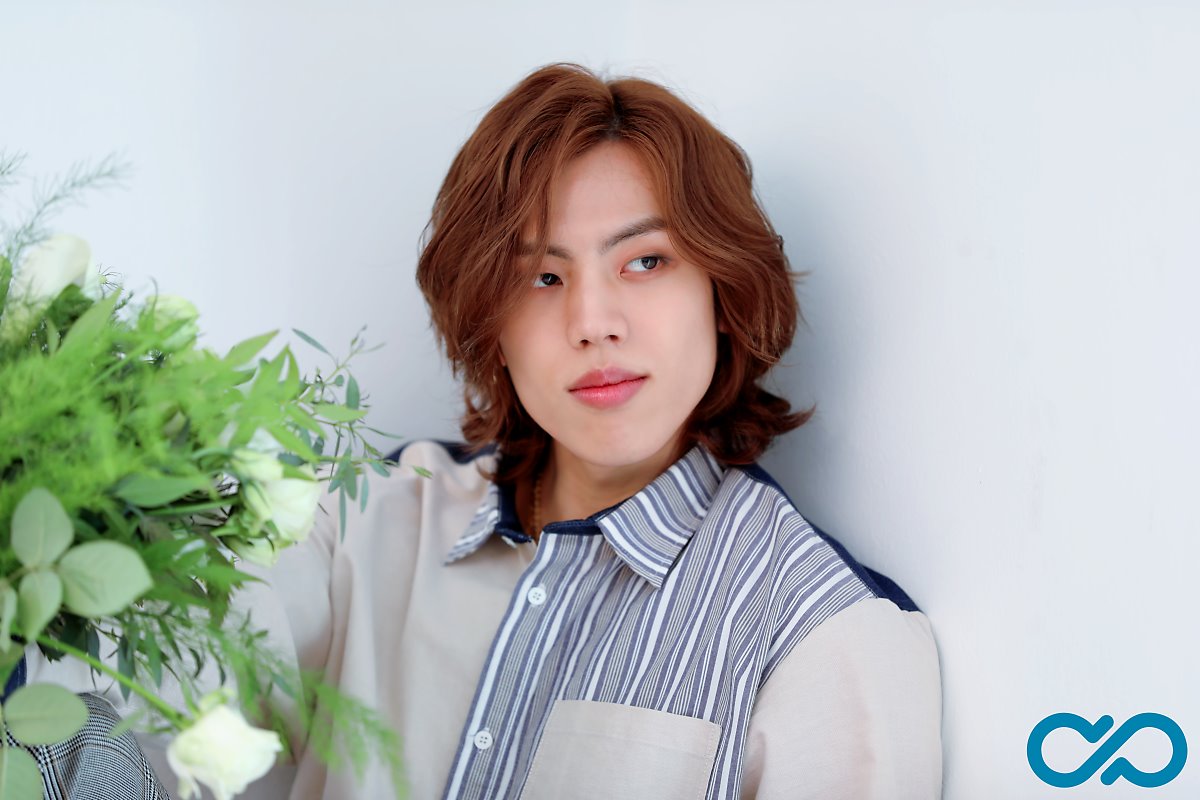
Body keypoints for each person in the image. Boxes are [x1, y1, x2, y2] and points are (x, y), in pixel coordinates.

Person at [263, 62, 943, 799]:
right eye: (542, 277)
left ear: (722, 292)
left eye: (645, 261)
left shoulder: (827, 634)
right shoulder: (359, 519)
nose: (592, 323)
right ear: (493, 326)